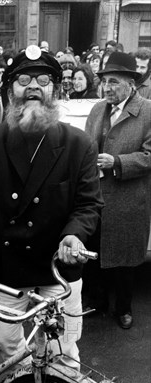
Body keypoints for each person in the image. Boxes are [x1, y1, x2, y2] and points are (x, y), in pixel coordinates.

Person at [0, 45, 103, 383]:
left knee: (64, 341)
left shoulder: (78, 143)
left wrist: (74, 234)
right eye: (23, 80)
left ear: (56, 91)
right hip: (6, 265)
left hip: (56, 264)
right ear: (10, 90)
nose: (33, 87)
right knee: (7, 342)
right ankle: (22, 380)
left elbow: (89, 203)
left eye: (43, 80)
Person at [85, 52, 151, 329]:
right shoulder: (98, 109)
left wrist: (118, 163)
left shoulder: (148, 111)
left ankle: (124, 309)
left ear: (130, 84)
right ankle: (98, 302)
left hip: (128, 199)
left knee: (124, 260)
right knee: (95, 252)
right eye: (104, 81)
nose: (107, 87)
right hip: (97, 196)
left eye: (113, 81)